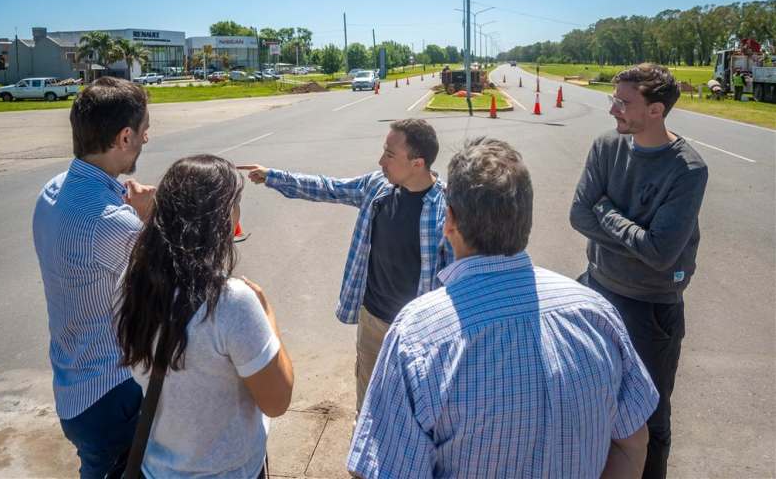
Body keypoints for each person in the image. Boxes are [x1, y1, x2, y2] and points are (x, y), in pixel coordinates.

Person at [348, 137, 659, 478]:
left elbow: (382, 470)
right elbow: (632, 443)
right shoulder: (595, 312)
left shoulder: (418, 334)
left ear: (449, 222)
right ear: (526, 220)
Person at [239, 118, 451, 412]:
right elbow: (328, 188)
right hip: (373, 323)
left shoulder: (446, 210)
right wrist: (273, 176)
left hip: (420, 331)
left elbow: (456, 282)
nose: (381, 162)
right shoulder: (377, 188)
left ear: (418, 163)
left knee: (417, 405)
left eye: (390, 155)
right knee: (369, 403)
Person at [115, 155, 293, 478]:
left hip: (157, 467)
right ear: (224, 217)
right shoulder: (232, 302)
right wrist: (269, 316)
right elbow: (277, 401)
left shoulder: (132, 282)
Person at [570, 63, 708, 479]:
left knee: (649, 415)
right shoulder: (606, 147)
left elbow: (662, 252)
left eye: (624, 102)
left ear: (656, 110)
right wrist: (637, 239)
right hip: (597, 291)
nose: (613, 109)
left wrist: (608, 211)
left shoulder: (686, 169)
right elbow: (579, 214)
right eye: (614, 99)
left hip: (651, 309)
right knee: (590, 400)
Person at [32, 76, 156, 478]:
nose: (145, 139)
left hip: (72, 383)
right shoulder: (113, 222)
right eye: (142, 131)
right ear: (124, 137)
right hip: (111, 393)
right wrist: (148, 216)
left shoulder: (51, 191)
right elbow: (174, 285)